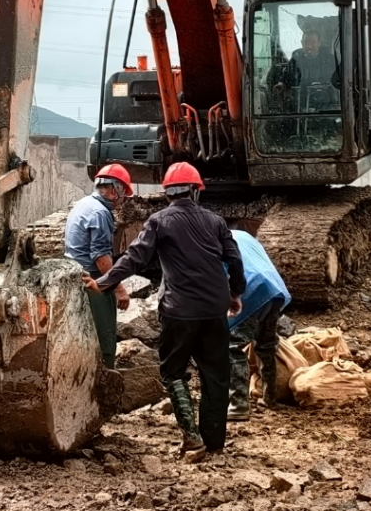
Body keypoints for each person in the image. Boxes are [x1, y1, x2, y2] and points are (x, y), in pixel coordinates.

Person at [82, 162, 245, 457]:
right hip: (213, 309)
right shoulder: (216, 221)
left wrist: (103, 283)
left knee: (172, 373)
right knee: (216, 376)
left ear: (168, 193)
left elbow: (134, 258)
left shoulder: (159, 221)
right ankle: (214, 443)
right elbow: (234, 261)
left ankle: (192, 437)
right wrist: (234, 293)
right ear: (196, 191)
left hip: (178, 311)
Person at [64, 163, 133, 369]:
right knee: (104, 338)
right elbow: (101, 257)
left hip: (73, 275)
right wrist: (119, 289)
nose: (121, 201)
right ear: (115, 190)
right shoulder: (101, 213)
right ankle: (105, 379)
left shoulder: (83, 204)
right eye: (122, 195)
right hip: (93, 280)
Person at [226, 229, 291, 421]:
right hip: (274, 287)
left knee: (233, 346)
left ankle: (238, 404)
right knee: (266, 344)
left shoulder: (212, 240)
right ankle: (270, 397)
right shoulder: (242, 235)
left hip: (251, 287)